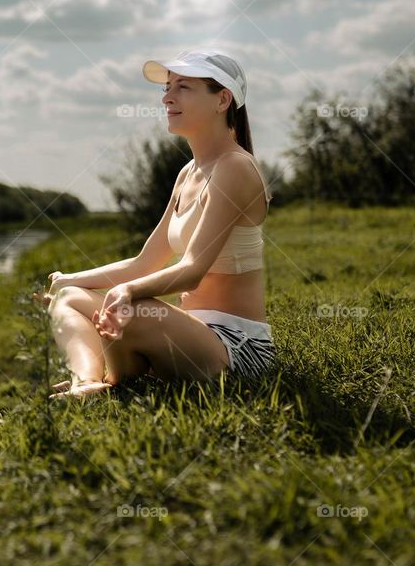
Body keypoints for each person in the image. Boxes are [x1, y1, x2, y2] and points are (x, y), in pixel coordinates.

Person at [35, 48, 278, 400]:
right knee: (70, 299)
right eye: (167, 87)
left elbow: (192, 269)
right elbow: (144, 263)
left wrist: (126, 293)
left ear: (222, 99)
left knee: (128, 307)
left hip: (236, 348)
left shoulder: (234, 167)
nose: (167, 97)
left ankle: (116, 375)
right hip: (190, 333)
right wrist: (68, 280)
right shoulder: (187, 174)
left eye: (183, 87)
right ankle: (87, 384)